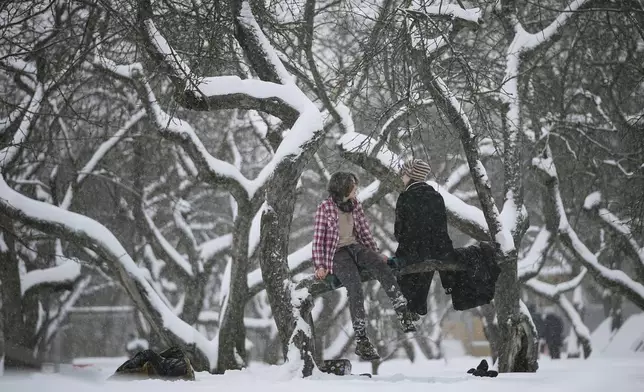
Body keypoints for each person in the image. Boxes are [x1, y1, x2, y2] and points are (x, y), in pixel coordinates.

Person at [312, 171, 417, 361]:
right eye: (353, 187)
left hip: (355, 247)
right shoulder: (325, 208)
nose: (356, 190)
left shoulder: (355, 205)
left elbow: (365, 233)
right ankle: (362, 339)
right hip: (336, 253)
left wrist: (376, 254)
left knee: (381, 267)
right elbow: (318, 241)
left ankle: (403, 311)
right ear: (343, 188)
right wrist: (320, 265)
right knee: (354, 286)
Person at [394, 159, 455, 317]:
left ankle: (410, 310)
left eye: (404, 173)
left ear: (410, 175)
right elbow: (442, 230)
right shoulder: (436, 197)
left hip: (410, 252)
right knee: (422, 284)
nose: (401, 176)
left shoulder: (405, 197)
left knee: (405, 285)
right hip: (433, 252)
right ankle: (417, 307)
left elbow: (399, 231)